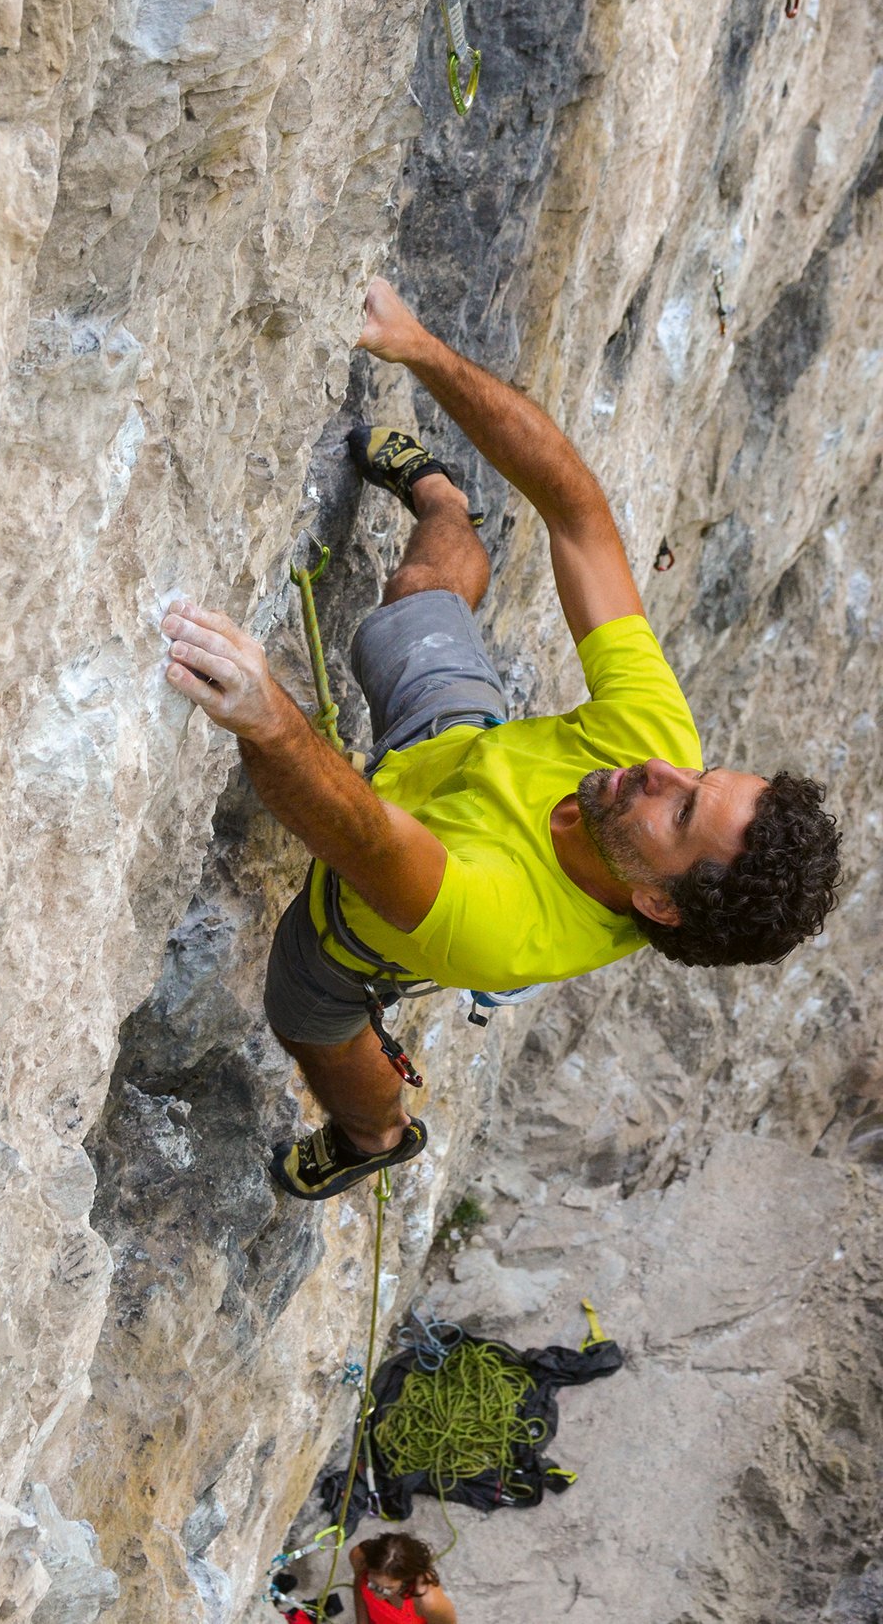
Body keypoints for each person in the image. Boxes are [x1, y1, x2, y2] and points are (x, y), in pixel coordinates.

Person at [161, 277, 841, 1201]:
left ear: (662, 907)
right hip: (457, 755)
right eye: (701, 772)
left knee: (308, 1010)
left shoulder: (507, 928)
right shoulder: (652, 748)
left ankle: (374, 1136)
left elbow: (356, 835)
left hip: (367, 911)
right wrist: (423, 349)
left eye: (679, 808)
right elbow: (578, 515)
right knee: (415, 604)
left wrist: (262, 708)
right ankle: (444, 498)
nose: (656, 764)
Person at [349, 1534, 456, 1624]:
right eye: (372, 1583)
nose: (377, 1595)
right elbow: (359, 1588)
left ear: (406, 1580)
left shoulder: (428, 1602)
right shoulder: (359, 1557)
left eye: (388, 1588)